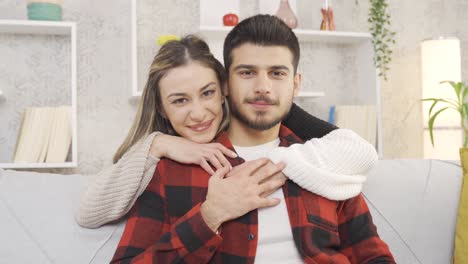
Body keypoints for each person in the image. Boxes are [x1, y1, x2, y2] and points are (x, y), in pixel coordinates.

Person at [110, 15, 394, 263]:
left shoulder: (327, 159)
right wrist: (209, 216)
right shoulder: (172, 168)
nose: (262, 88)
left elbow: (372, 255)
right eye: (247, 73)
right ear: (225, 83)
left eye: (277, 73)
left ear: (295, 84)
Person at [76, 40, 376, 228]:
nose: (198, 113)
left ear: (224, 90)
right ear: (163, 109)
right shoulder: (158, 162)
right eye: (180, 100)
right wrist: (158, 144)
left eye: (207, 93)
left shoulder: (266, 119)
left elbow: (356, 148)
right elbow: (88, 213)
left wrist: (279, 161)